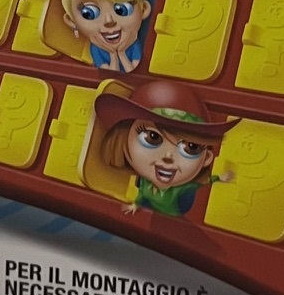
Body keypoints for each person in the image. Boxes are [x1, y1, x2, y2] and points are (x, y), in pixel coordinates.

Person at [96, 81, 237, 218]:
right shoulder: (144, 182)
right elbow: (141, 195)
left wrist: (219, 178)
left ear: (206, 158)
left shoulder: (182, 190)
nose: (168, 156)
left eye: (191, 147)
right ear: (124, 138)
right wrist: (135, 205)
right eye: (152, 137)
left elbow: (202, 182)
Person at [32, 0, 151, 72]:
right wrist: (113, 54)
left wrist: (121, 52)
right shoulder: (95, 50)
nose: (109, 20)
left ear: (144, 9)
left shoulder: (134, 45)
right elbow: (111, 71)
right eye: (89, 13)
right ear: (72, 21)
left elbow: (132, 70)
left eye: (121, 9)